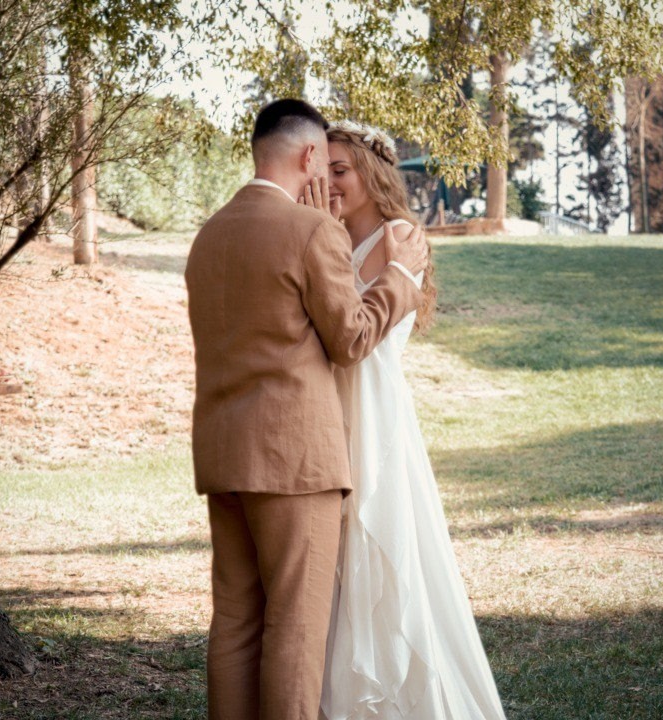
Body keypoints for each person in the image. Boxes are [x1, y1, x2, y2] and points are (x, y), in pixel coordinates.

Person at [184, 100, 430, 720]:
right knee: (295, 626)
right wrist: (399, 277)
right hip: (294, 461)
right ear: (308, 155)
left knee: (236, 621)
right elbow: (349, 340)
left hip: (222, 453)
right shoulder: (311, 230)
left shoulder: (209, 233)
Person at [309, 120, 507, 720]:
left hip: (375, 413)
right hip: (332, 405)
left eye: (340, 171)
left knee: (382, 545)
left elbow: (364, 330)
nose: (331, 184)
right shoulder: (329, 237)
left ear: (371, 174)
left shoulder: (400, 236)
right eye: (323, 173)